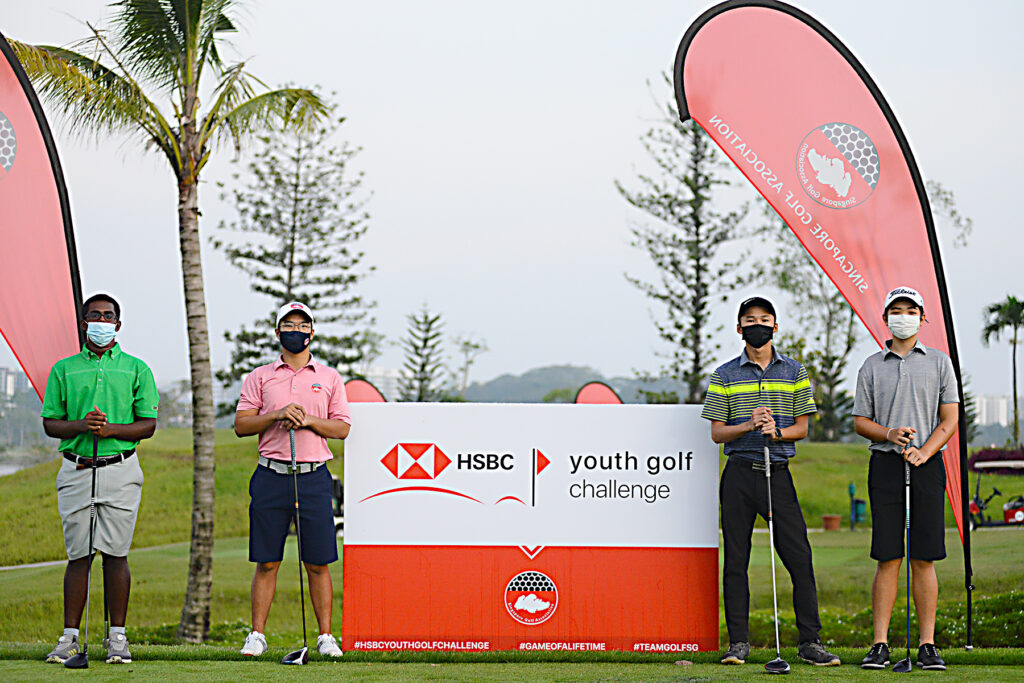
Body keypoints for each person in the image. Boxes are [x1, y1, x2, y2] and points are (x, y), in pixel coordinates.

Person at [701, 296, 840, 667]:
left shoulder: (794, 371)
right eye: (750, 320)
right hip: (739, 475)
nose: (757, 325)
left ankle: (810, 642)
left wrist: (776, 431)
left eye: (764, 319)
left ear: (775, 327)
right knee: (736, 561)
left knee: (799, 558)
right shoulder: (724, 374)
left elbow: (802, 428)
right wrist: (749, 424)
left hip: (776, 474)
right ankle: (738, 644)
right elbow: (717, 433)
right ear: (739, 328)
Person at [41, 294, 158, 664]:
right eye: (95, 315)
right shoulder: (64, 369)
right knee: (79, 554)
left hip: (121, 468)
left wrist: (111, 431)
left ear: (118, 325)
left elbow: (148, 425)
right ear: (84, 323)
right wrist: (82, 425)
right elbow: (50, 423)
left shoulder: (137, 368)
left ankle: (117, 638)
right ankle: (70, 638)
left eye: (108, 316)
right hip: (76, 469)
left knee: (116, 554)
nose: (102, 321)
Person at [235, 302, 351, 658]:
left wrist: (308, 421)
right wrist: (276, 415)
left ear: (311, 333)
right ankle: (257, 635)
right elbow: (242, 424)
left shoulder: (329, 377)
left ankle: (326, 636)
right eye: (288, 325)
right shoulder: (260, 376)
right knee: (267, 561)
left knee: (317, 562)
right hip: (271, 475)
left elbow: (342, 428)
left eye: (302, 326)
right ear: (277, 332)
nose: (295, 331)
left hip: (314, 476)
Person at [854, 286, 958, 671]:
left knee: (924, 558)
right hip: (885, 465)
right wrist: (889, 434)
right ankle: (879, 645)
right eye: (896, 310)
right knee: (887, 556)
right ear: (886, 319)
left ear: (922, 318)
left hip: (926, 467)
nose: (903, 316)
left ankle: (927, 645)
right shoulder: (871, 365)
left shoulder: (940, 363)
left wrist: (924, 451)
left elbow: (949, 419)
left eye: (911, 310)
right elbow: (860, 421)